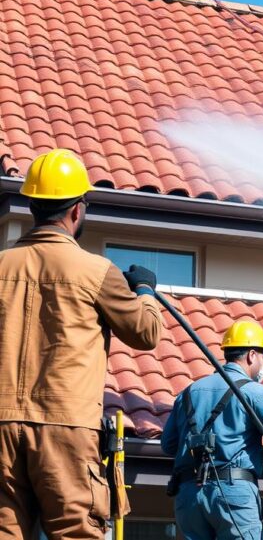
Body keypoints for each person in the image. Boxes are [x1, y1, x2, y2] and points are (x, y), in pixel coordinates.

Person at [0, 149, 164, 540]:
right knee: (76, 532)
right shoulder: (95, 270)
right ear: (77, 211)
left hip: (1, 424)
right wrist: (145, 290)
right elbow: (145, 333)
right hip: (66, 424)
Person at [161, 320, 263, 540]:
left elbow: (168, 445)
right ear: (251, 355)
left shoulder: (188, 393)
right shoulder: (256, 393)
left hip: (188, 495)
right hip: (233, 492)